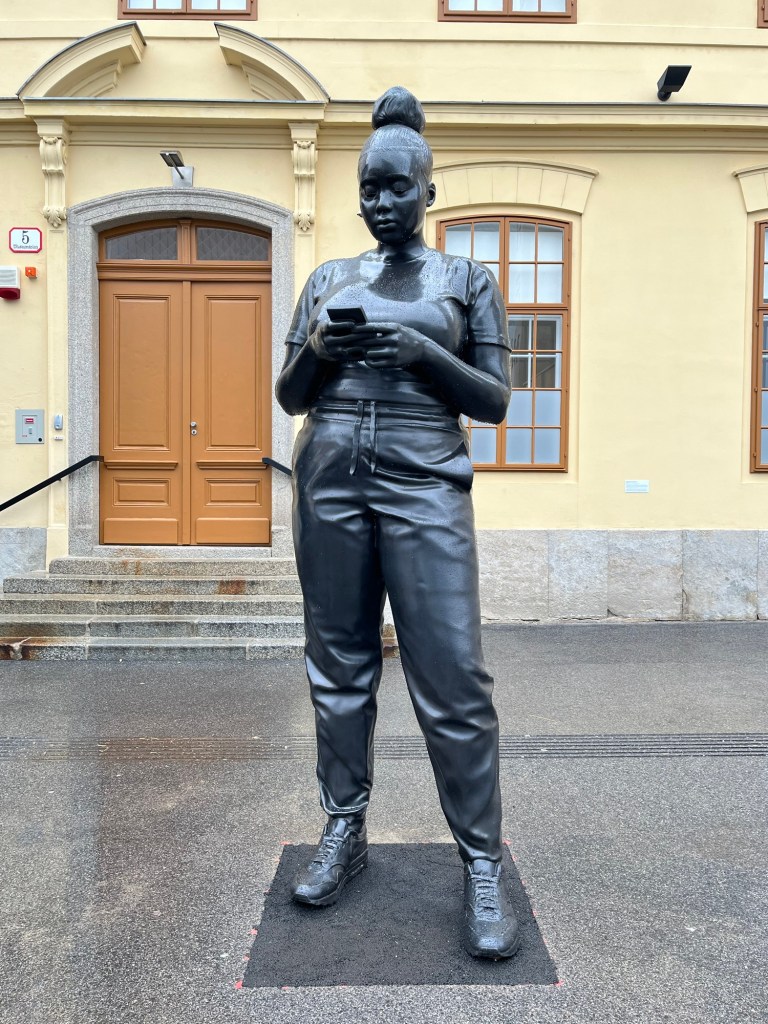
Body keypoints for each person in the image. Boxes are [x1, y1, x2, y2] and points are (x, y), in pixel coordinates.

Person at [275, 86, 518, 959]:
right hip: (330, 472)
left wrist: (422, 351)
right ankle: (344, 828)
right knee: (338, 664)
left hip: (426, 479)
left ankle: (481, 862)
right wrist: (317, 350)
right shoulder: (327, 280)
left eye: (396, 186)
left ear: (428, 190)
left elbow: (494, 400)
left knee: (452, 677)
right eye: (368, 188)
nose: (380, 202)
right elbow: (289, 396)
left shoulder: (467, 280)